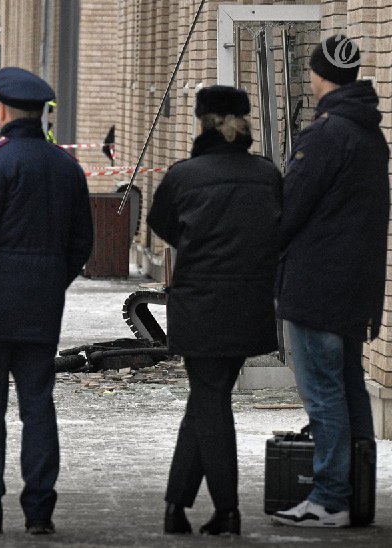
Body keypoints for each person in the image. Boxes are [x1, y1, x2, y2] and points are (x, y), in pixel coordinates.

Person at [0, 67, 93, 536]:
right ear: (42, 113)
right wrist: (50, 280)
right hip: (42, 309)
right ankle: (39, 512)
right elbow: (81, 242)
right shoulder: (66, 166)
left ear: (3, 111)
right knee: (38, 406)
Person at [147, 85, 282, 536]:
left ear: (201, 122)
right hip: (250, 304)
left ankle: (227, 510)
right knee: (209, 399)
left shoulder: (185, 176)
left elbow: (160, 224)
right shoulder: (267, 174)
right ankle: (175, 507)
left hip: (200, 305)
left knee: (209, 401)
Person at [272, 36, 389, 528]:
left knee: (323, 393)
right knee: (348, 388)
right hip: (354, 285)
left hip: (317, 284)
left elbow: (290, 207)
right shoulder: (369, 134)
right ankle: (354, 493)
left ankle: (330, 497)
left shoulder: (325, 134)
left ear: (319, 76)